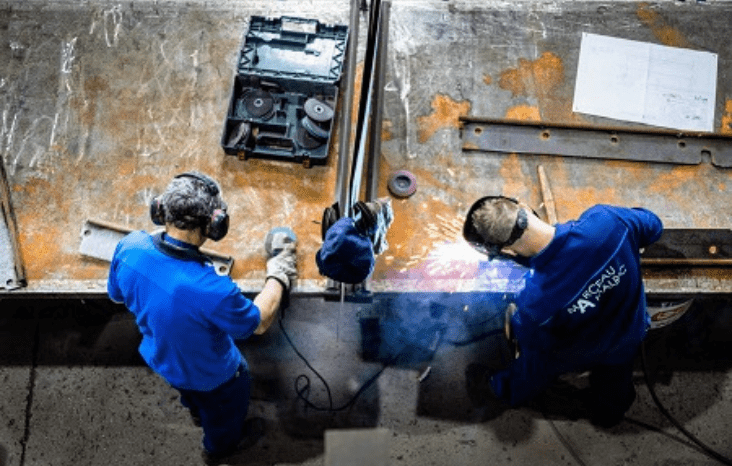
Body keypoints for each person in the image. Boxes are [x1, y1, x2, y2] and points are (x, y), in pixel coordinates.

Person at [107, 172, 297, 464]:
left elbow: (117, 295)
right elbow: (258, 323)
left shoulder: (130, 246)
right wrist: (280, 270)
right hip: (216, 379)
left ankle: (198, 411)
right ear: (215, 224)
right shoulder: (213, 290)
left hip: (163, 360)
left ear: (160, 210)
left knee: (191, 396)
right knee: (223, 416)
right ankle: (219, 447)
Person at [462, 196, 663, 427]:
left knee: (537, 363)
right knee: (616, 379)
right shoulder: (608, 221)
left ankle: (500, 388)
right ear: (524, 207)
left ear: (506, 250)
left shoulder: (534, 302)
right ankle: (611, 413)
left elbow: (533, 344)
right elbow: (654, 226)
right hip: (629, 332)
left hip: (583, 350)